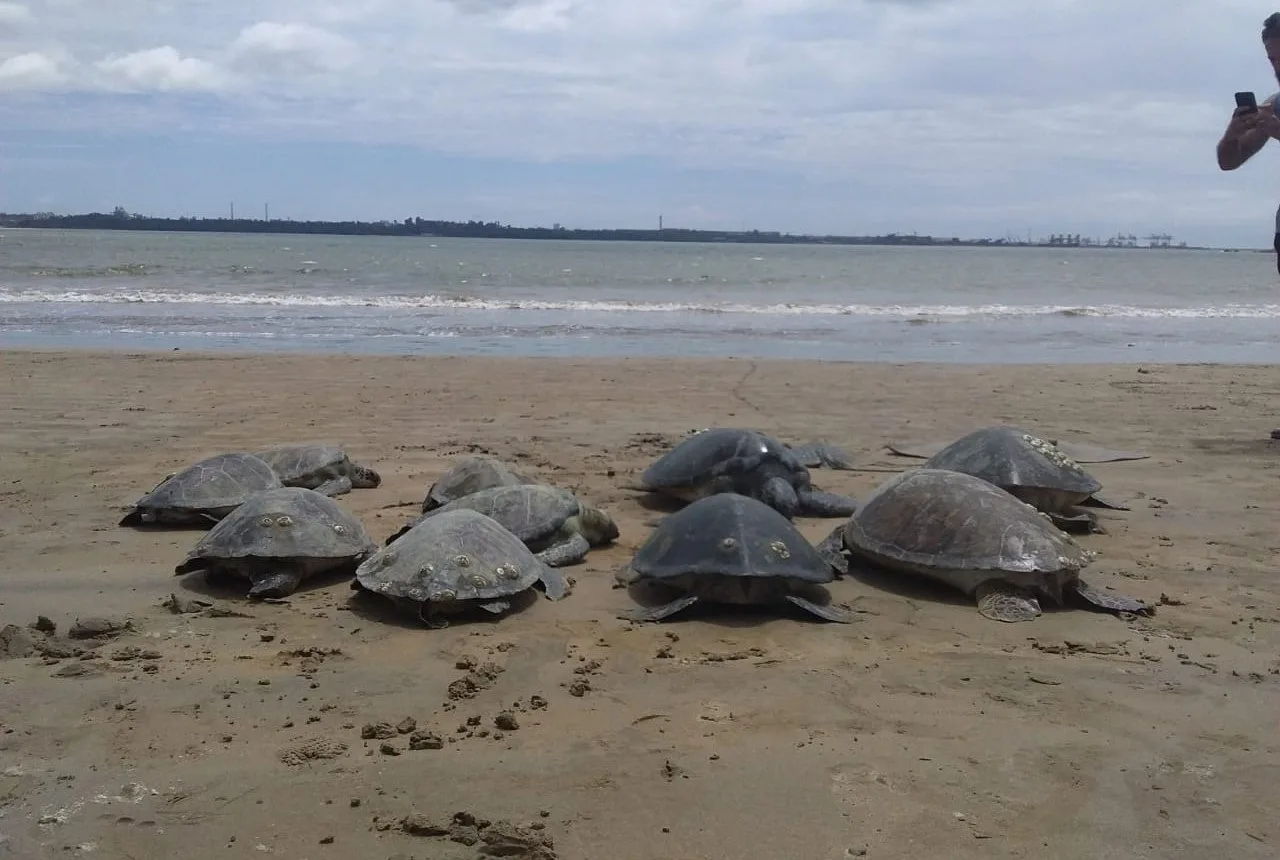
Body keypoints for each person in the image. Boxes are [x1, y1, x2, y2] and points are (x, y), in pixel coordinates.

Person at [1218, 13, 1280, 274]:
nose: (1278, 68)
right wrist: (1232, 135)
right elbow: (1229, 162)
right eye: (1273, 60)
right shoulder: (1276, 104)